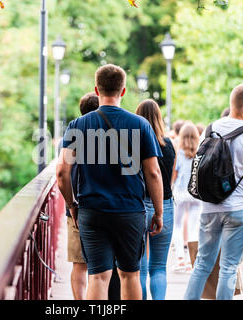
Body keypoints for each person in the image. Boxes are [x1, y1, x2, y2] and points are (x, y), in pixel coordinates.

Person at [56, 64, 164, 300]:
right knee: (130, 275)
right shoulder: (141, 125)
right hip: (130, 211)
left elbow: (62, 173)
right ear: (123, 91)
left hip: (92, 211)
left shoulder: (77, 126)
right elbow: (154, 173)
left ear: (97, 89)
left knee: (98, 276)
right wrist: (158, 212)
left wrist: (72, 205)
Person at [184, 83, 243, 300]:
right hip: (238, 209)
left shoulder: (208, 131)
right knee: (228, 267)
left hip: (209, 208)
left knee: (202, 264)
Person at [136, 99, 176, 300]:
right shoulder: (169, 145)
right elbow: (170, 179)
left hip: (138, 206)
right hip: (166, 205)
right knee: (159, 267)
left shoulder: (134, 145)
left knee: (140, 268)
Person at [65, 92, 99, 300]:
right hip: (105, 205)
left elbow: (63, 172)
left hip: (78, 205)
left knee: (79, 264)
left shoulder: (75, 131)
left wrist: (71, 205)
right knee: (101, 266)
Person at [171, 121, 202, 272]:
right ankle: (192, 260)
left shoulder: (178, 154)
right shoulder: (200, 155)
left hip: (180, 193)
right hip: (196, 194)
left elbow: (174, 176)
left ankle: (180, 259)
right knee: (193, 227)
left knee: (177, 226)